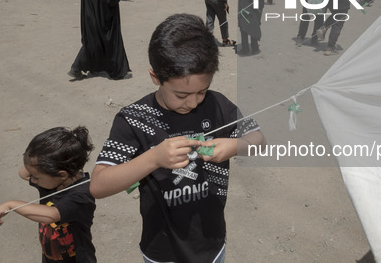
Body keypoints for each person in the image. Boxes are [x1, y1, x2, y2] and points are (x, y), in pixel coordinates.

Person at [90, 13, 265, 263]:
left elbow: (259, 140)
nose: (192, 102)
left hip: (211, 242)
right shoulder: (134, 119)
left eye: (201, 92)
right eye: (181, 95)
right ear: (155, 78)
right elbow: (98, 185)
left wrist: (238, 145)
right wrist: (153, 158)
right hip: (161, 249)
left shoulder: (217, 106)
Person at [0, 126, 96, 262]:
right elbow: (23, 173)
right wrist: (33, 161)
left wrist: (11, 204)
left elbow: (51, 215)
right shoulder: (51, 181)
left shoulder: (81, 195)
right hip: (51, 255)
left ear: (61, 175)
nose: (32, 180)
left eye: (36, 177)